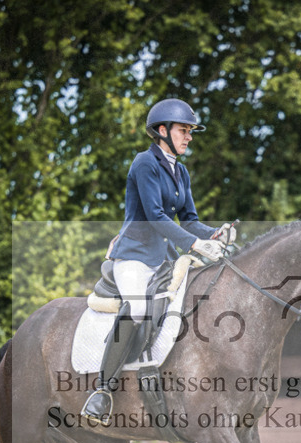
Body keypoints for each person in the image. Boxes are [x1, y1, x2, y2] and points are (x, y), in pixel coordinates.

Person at [82, 98, 234, 423]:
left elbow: (189, 219)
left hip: (164, 259)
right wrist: (195, 244)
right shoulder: (144, 163)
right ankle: (102, 390)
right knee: (137, 308)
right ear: (162, 130)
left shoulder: (181, 171)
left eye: (190, 131)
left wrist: (215, 234)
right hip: (134, 256)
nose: (189, 137)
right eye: (183, 130)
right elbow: (154, 216)